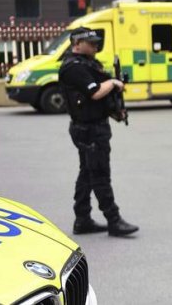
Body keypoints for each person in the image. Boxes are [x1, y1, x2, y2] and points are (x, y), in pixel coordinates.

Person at [58, 26, 139, 237]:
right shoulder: (73, 67)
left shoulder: (89, 64)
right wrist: (113, 83)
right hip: (89, 130)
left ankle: (82, 219)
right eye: (91, 42)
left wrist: (115, 111)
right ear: (77, 43)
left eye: (96, 42)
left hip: (94, 126)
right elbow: (94, 93)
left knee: (87, 173)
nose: (96, 45)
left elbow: (99, 99)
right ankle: (114, 220)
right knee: (100, 173)